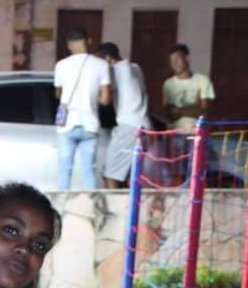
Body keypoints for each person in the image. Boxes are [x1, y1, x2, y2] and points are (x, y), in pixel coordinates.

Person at [54, 27, 111, 189]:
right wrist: (91, 97)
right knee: (89, 171)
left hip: (66, 124)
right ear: (89, 41)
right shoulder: (101, 65)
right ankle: (91, 203)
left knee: (65, 170)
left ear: (69, 45)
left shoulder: (61, 65)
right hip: (90, 124)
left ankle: (62, 204)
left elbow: (58, 94)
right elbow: (106, 100)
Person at [98, 42, 151, 188]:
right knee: (130, 177)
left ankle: (113, 203)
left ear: (108, 59)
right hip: (144, 126)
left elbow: (104, 98)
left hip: (129, 126)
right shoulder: (135, 68)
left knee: (109, 174)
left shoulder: (116, 72)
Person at [162, 44, 215, 131]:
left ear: (187, 58)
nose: (174, 63)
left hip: (196, 134)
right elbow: (169, 114)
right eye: (171, 61)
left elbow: (203, 111)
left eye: (177, 59)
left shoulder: (203, 80)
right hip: (174, 133)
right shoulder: (168, 84)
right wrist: (194, 107)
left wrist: (178, 110)